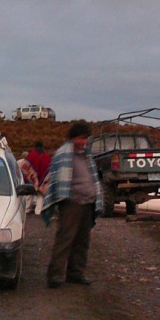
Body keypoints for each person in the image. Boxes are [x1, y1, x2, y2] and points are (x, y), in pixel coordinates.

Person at [41, 122, 103, 288]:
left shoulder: (86, 156)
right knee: (65, 239)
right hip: (71, 203)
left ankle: (76, 273)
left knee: (83, 241)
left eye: (86, 138)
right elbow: (56, 179)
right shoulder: (63, 155)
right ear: (73, 137)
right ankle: (55, 276)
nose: (84, 141)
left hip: (88, 203)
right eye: (81, 138)